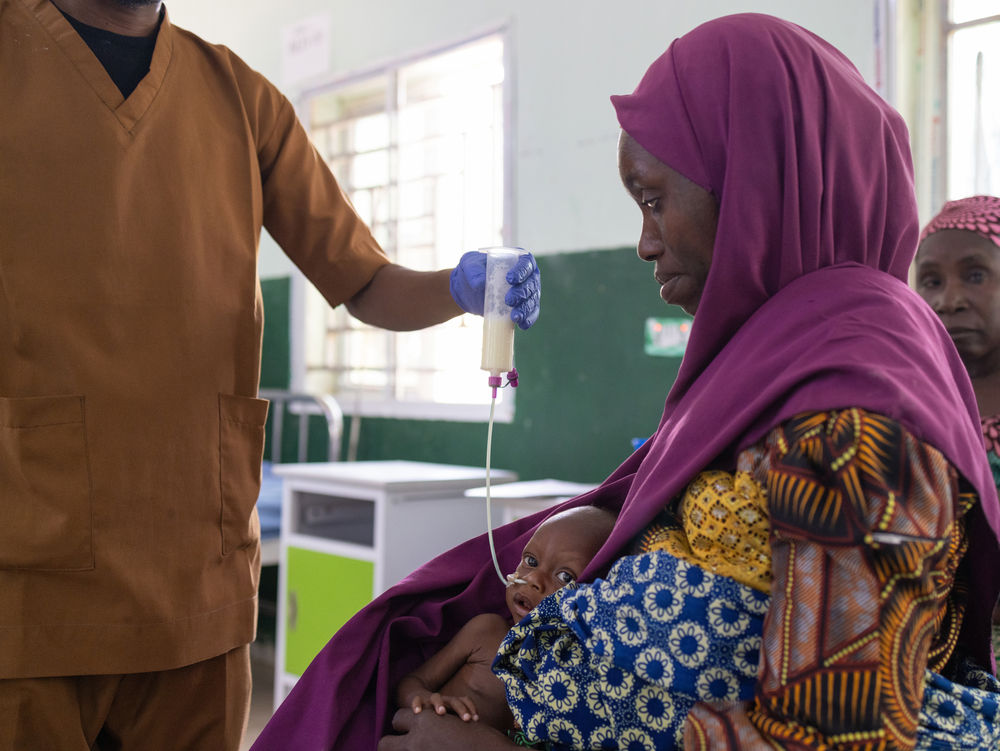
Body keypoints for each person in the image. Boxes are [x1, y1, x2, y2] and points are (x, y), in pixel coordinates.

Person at [253, 13, 1000, 751]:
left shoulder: (859, 420)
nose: (644, 243)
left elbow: (836, 739)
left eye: (652, 198)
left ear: (754, 184)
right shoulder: (779, 364)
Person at [0, 1, 540, 749]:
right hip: (30, 584)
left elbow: (364, 279)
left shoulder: (240, 99)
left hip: (198, 585)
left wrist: (458, 288)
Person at [395, 506, 616, 737]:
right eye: (530, 560)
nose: (532, 580)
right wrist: (422, 699)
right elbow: (413, 680)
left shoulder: (573, 668)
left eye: (565, 576)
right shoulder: (486, 631)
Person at [914, 195, 1000, 657]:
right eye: (930, 281)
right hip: (941, 655)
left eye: (975, 275)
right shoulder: (911, 401)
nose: (948, 301)